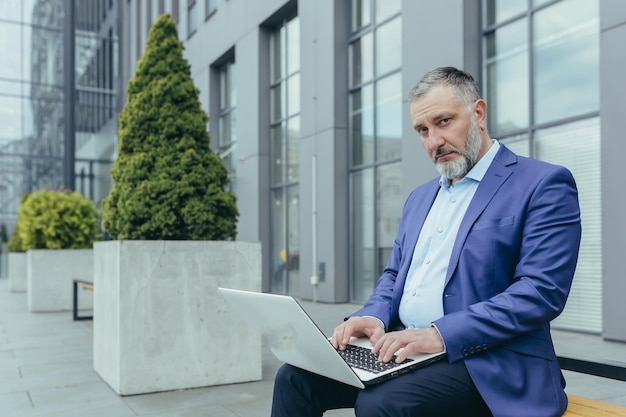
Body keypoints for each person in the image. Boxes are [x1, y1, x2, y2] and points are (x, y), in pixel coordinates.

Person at [270, 66, 582, 417]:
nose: (433, 141)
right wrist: (372, 315)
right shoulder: (420, 198)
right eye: (423, 130)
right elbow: (393, 276)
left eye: (444, 122)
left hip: (489, 361)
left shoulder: (543, 184)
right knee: (294, 378)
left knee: (380, 404)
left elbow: (540, 292)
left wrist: (440, 334)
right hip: (407, 349)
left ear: (478, 113)